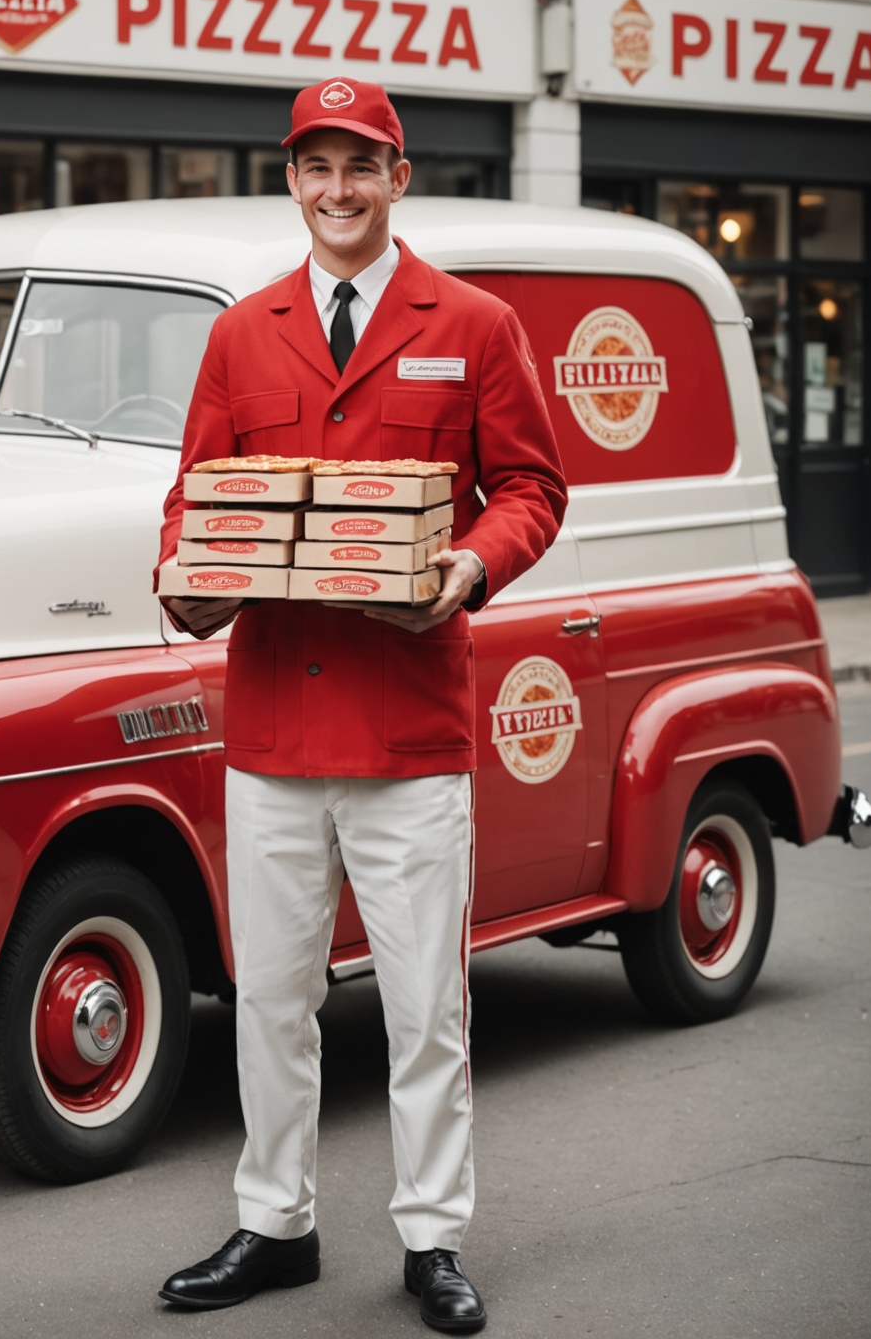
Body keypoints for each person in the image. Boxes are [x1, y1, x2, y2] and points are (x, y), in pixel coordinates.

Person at [153, 77, 567, 1332]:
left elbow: (534, 489)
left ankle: (432, 1239)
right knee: (271, 1000)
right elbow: (195, 495)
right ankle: (273, 1223)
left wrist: (466, 570)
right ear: (293, 181)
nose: (337, 189)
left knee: (424, 1008)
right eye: (314, 165)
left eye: (360, 165)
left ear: (399, 176)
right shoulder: (243, 331)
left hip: (408, 731)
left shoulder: (477, 322)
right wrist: (180, 581)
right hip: (274, 727)